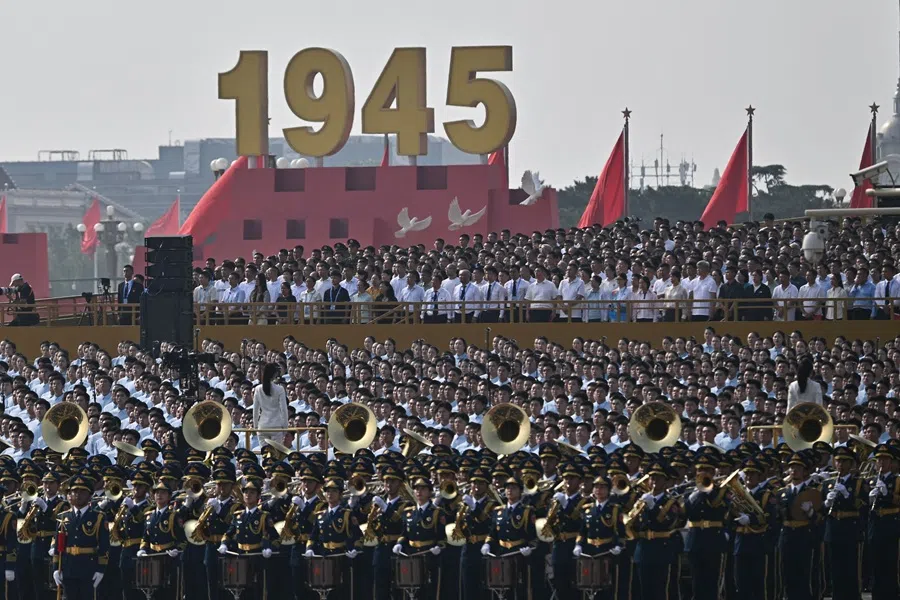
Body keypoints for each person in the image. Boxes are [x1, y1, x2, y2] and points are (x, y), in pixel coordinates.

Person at [51, 474, 110, 600]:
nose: (77, 494)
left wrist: (101, 569)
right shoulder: (63, 517)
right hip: (68, 568)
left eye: (82, 491)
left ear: (89, 496)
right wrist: (56, 568)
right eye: (74, 491)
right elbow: (58, 546)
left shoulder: (98, 517)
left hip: (88, 568)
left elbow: (104, 545)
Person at [252, 363, 289, 447]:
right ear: (275, 374)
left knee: (264, 453)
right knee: (275, 454)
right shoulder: (280, 389)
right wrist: (285, 427)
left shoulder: (257, 389)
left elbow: (256, 410)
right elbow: (283, 409)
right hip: (276, 425)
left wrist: (256, 427)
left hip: (262, 425)